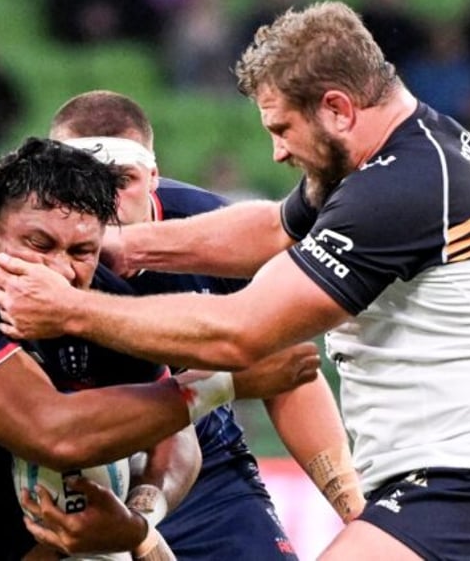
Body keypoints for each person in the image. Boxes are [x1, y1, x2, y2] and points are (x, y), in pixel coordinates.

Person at [0, 2, 470, 560]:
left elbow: (241, 335)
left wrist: (68, 310)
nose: (276, 153)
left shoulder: (399, 191)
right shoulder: (399, 155)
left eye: (281, 128)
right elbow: (274, 228)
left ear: (337, 109)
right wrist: (128, 246)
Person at [0, 136, 320, 560]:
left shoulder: (94, 300)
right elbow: (52, 432)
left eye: (81, 252)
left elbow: (175, 440)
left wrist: (142, 517)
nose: (60, 271)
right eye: (38, 243)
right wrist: (224, 380)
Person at [43, 89, 363, 560]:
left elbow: (289, 371)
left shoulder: (215, 233)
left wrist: (352, 506)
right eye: (77, 182)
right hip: (68, 470)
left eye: (120, 180)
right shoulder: (24, 244)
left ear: (153, 175)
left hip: (205, 470)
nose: (99, 200)